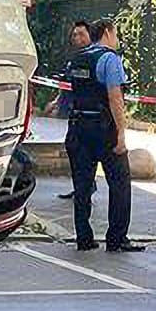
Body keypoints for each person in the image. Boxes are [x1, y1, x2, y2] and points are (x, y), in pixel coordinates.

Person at [65, 18, 143, 253]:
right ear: (108, 32)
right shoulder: (109, 59)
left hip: (78, 128)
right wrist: (121, 135)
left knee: (82, 185)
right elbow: (115, 99)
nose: (117, 39)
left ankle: (84, 238)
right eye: (116, 34)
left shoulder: (77, 59)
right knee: (119, 183)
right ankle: (117, 238)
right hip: (103, 130)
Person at [42, 20, 93, 201]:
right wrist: (56, 102)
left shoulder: (93, 58)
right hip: (73, 112)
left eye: (81, 34)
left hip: (87, 115)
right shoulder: (75, 58)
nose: (77, 38)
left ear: (90, 35)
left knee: (82, 151)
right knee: (74, 150)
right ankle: (82, 187)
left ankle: (85, 189)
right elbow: (67, 84)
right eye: (74, 34)